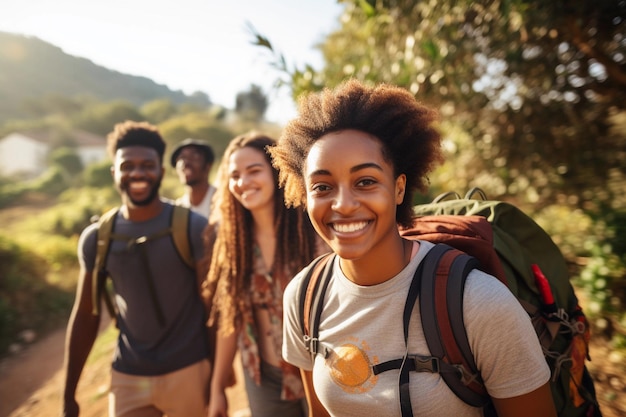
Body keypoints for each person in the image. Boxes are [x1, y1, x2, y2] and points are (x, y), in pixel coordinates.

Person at [270, 80, 557, 417]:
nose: (343, 204)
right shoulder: (304, 296)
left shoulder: (478, 303)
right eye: (322, 186)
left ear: (399, 188)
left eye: (365, 181)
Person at [62, 121, 211, 417]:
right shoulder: (98, 238)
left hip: (189, 370)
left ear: (161, 172)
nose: (138, 173)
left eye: (147, 165)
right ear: (114, 172)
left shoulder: (192, 227)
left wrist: (217, 374)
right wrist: (69, 394)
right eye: (127, 165)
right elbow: (86, 315)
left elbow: (212, 307)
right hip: (128, 375)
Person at [202, 131, 326, 417]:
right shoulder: (234, 242)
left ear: (275, 172)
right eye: (234, 175)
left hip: (320, 369)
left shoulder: (310, 231)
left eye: (253, 171)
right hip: (262, 376)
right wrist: (217, 387)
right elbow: (230, 318)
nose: (243, 182)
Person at [171, 138, 217, 218]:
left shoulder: (223, 200)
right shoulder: (179, 208)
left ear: (208, 166)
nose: (186, 163)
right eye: (181, 158)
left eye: (194, 158)